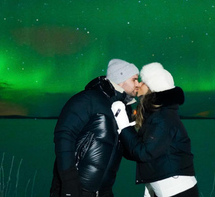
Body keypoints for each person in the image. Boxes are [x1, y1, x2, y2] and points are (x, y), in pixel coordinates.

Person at [50, 59, 139, 197]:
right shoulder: (89, 99)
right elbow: (64, 135)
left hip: (104, 192)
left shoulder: (124, 110)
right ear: (121, 78)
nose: (138, 84)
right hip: (77, 189)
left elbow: (128, 150)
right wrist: (69, 182)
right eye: (135, 79)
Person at [112, 62, 198, 197]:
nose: (139, 84)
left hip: (176, 189)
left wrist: (123, 126)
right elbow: (137, 150)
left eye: (143, 81)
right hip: (167, 187)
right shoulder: (156, 114)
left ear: (153, 87)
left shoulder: (163, 117)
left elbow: (144, 153)